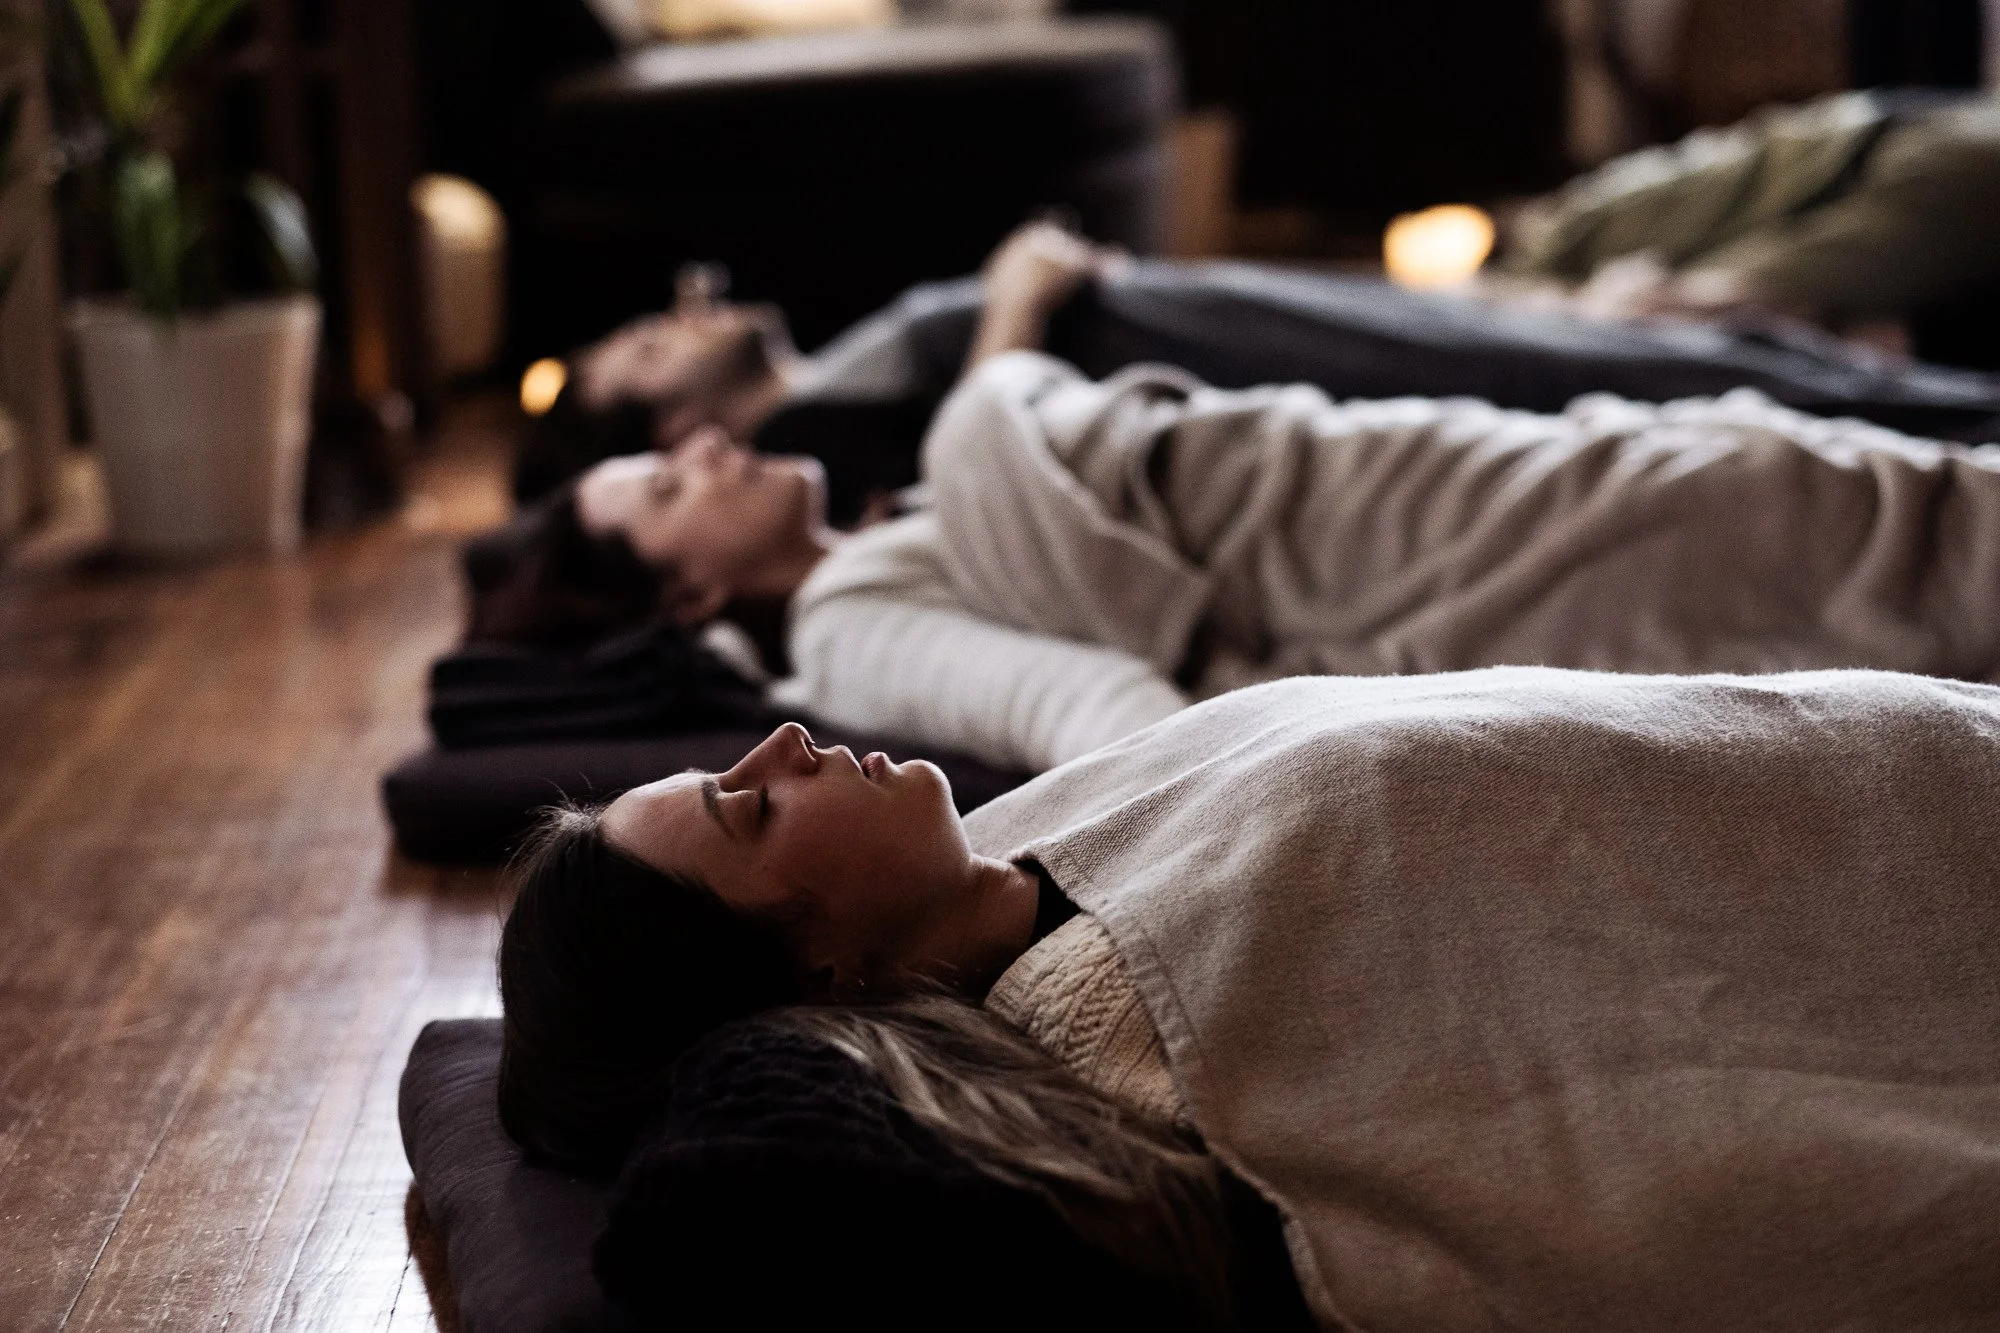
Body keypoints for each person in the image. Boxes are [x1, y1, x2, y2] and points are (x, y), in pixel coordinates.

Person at [499, 667, 2000, 1330]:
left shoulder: (1062, 818)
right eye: (745, 810)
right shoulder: (1140, 1042)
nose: (778, 740)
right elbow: (748, 1187)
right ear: (825, 971)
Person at [486, 222, 2000, 773]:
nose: (702, 454)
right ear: (688, 594)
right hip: (1431, 562)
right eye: (664, 487)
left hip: (1401, 472)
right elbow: (1110, 721)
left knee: (1805, 465)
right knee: (1849, 519)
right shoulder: (857, 630)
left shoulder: (879, 526)